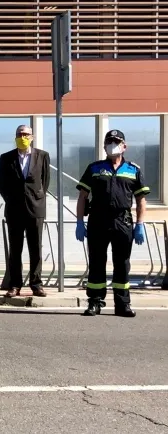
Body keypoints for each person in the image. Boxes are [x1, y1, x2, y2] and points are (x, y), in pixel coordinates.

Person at [75, 129, 148, 317]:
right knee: (97, 261)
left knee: (122, 263)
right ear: (104, 146)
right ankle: (95, 302)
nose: (112, 144)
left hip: (122, 221)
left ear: (124, 146)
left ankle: (122, 304)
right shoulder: (94, 168)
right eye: (109, 141)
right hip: (98, 220)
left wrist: (140, 224)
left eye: (116, 141)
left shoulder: (133, 170)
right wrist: (79, 221)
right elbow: (83, 196)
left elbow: (141, 199)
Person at [0, 125, 51, 298]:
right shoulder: (6, 158)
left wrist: (38, 198)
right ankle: (15, 285)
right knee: (15, 249)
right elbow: (2, 183)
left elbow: (46, 180)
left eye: (26, 134)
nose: (23, 137)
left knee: (36, 248)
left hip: (35, 208)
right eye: (20, 134)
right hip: (14, 209)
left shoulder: (42, 156)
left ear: (32, 137)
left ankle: (36, 284)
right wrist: (11, 200)